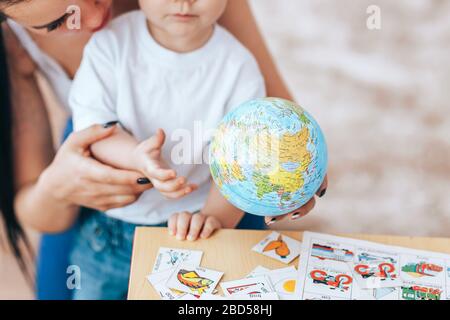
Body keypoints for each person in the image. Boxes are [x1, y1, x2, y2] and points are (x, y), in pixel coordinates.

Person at [0, 0, 327, 299]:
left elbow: (264, 133)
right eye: (58, 21)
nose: (100, 17)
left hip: (202, 207)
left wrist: (285, 169)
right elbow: (36, 204)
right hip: (101, 214)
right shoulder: (103, 46)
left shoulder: (233, 60)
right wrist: (61, 186)